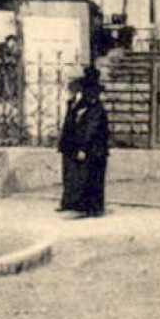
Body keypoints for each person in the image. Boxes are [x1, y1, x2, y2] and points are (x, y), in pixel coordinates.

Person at [71, 68, 111, 218]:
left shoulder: (94, 110)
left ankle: (92, 208)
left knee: (92, 177)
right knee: (93, 177)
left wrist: (82, 148)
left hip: (94, 149)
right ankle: (93, 207)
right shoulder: (92, 108)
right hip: (97, 149)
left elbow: (90, 130)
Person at [56, 77, 85, 212]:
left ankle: (75, 202)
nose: (69, 93)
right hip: (67, 144)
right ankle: (66, 202)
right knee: (67, 174)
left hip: (76, 144)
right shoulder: (71, 104)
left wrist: (82, 147)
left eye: (71, 90)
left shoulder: (83, 105)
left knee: (75, 175)